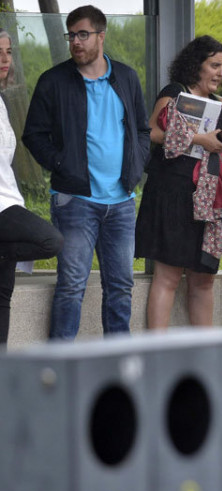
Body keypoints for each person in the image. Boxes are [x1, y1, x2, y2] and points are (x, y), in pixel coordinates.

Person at [23, 5, 150, 341]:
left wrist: (136, 166)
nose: (75, 42)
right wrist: (62, 164)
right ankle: (61, 372)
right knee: (71, 288)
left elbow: (141, 129)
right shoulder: (53, 81)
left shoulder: (126, 77)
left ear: (101, 36)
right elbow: (33, 135)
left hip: (122, 201)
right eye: (71, 35)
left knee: (121, 288)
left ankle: (116, 372)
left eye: (83, 34)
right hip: (75, 200)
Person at [134, 35, 222, 329]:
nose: (219, 73)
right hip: (173, 193)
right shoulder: (175, 92)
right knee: (168, 276)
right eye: (214, 65)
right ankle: (159, 356)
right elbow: (151, 131)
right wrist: (198, 139)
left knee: (203, 279)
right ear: (195, 66)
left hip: (209, 199)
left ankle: (203, 355)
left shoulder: (218, 103)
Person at [0, 29, 64, 345]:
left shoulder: (0, 100)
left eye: (8, 52)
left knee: (2, 297)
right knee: (51, 240)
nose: (4, 59)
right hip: (2, 206)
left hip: (10, 197)